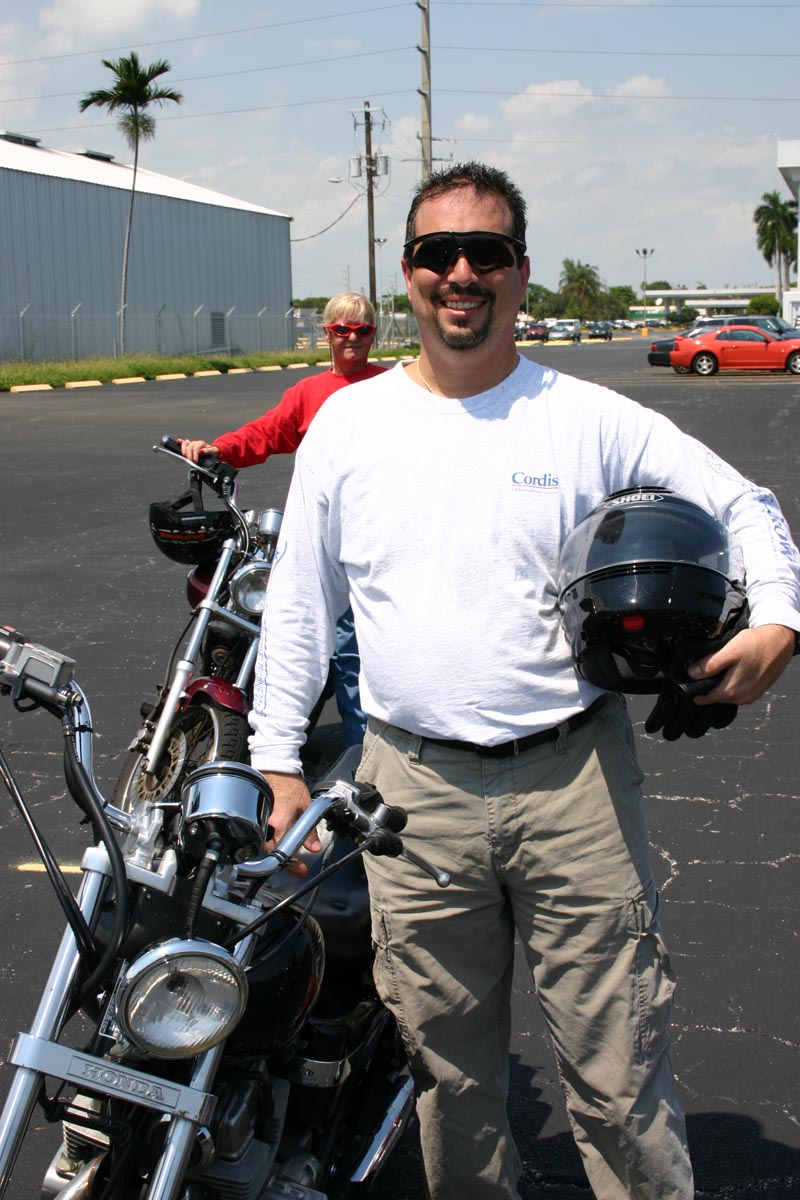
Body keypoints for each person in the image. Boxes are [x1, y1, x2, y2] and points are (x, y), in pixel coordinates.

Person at [248, 163, 800, 1200]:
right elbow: (298, 603)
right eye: (437, 253)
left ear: (520, 271)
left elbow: (744, 503)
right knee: (448, 1085)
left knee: (618, 1083)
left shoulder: (586, 419)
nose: (461, 273)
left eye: (486, 253)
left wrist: (778, 621)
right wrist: (277, 760)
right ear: (407, 272)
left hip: (572, 787)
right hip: (408, 798)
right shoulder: (348, 429)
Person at [179, 292, 387, 747]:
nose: (352, 338)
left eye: (363, 329)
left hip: (372, 542)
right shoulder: (308, 393)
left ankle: (362, 759)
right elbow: (268, 432)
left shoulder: (391, 388)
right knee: (294, 643)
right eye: (342, 329)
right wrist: (218, 449)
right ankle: (278, 751)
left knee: (354, 657)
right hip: (317, 542)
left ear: (375, 334)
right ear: (327, 334)